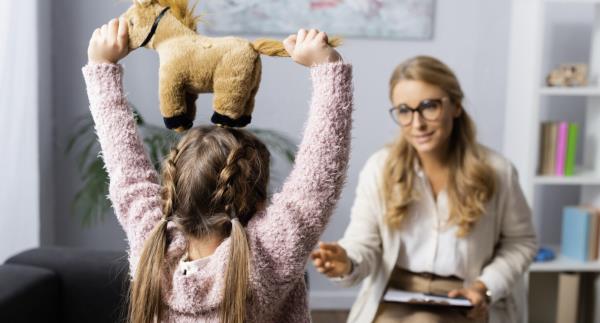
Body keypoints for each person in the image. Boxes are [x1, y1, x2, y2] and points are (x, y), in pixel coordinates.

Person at [83, 17, 353, 323]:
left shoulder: (151, 247)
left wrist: (101, 66)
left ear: (171, 190)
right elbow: (318, 175)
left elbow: (125, 167)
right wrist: (329, 69)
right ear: (257, 199)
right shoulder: (265, 257)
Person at [311, 56, 537, 323]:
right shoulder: (380, 168)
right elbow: (363, 242)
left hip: (465, 298)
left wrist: (483, 288)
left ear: (455, 106)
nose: (417, 124)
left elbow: (521, 242)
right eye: (404, 111)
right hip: (396, 294)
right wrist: (347, 261)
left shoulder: (498, 171)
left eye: (429, 106)